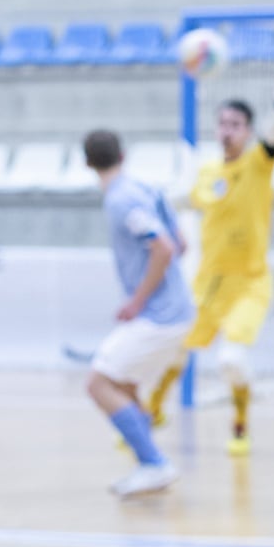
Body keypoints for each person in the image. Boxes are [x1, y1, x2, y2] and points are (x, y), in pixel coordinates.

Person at [147, 54, 274, 456]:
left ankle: (240, 427)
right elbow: (180, 202)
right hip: (209, 281)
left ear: (248, 131)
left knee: (232, 360)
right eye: (222, 123)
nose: (227, 131)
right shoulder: (207, 173)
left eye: (235, 125)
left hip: (250, 282)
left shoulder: (258, 164)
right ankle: (150, 414)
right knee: (174, 348)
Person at [84, 129, 193, 497]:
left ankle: (154, 463)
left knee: (98, 384)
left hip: (160, 316)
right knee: (126, 386)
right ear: (124, 155)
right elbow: (181, 243)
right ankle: (148, 465)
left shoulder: (120, 201)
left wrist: (138, 301)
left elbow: (163, 248)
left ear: (87, 163)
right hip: (176, 312)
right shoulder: (145, 190)